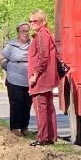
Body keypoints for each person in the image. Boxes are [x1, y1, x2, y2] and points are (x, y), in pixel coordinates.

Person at [28, 10, 62, 146]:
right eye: (30, 21)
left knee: (40, 107)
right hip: (47, 78)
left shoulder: (42, 35)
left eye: (34, 21)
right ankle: (50, 136)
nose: (31, 24)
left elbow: (43, 57)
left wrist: (35, 75)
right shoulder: (47, 33)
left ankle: (42, 137)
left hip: (41, 78)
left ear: (42, 21)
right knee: (48, 107)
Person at [3, 22, 32, 136]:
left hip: (29, 80)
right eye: (23, 31)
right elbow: (2, 59)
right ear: (18, 33)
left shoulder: (32, 45)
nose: (25, 33)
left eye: (27, 31)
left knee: (27, 104)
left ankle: (25, 128)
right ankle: (14, 128)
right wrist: (9, 69)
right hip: (14, 80)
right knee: (16, 104)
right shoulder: (11, 46)